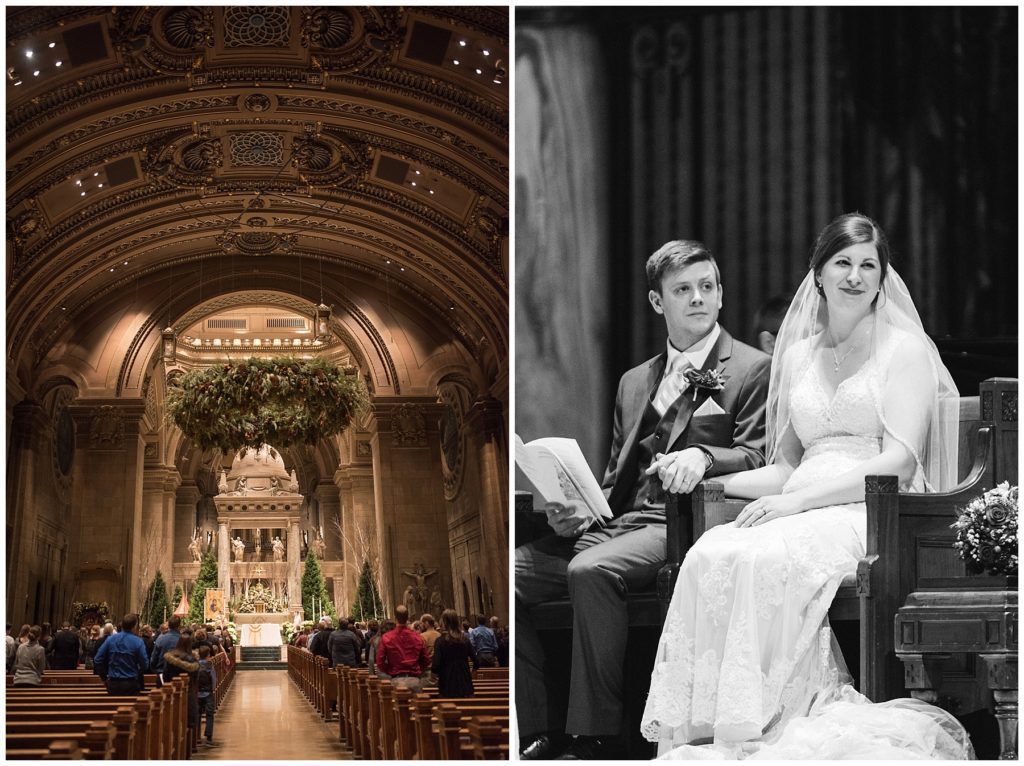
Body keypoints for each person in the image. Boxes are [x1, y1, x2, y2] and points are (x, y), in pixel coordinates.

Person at [642, 213, 969, 759]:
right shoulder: (796, 356)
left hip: (871, 509)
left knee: (766, 558)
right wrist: (703, 472)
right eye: (843, 262)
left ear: (883, 276)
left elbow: (898, 465)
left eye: (869, 265)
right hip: (800, 500)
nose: (855, 276)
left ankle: (769, 724)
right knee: (712, 551)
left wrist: (795, 501)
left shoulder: (903, 350)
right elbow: (785, 464)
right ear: (818, 273)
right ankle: (714, 727)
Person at [517, 240, 771, 760]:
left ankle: (597, 735)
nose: (698, 298)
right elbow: (617, 476)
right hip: (621, 521)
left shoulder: (753, 368)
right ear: (659, 303)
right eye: (683, 290)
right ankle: (533, 730)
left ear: (721, 294)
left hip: (685, 521)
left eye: (707, 287)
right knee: (513, 573)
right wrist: (574, 510)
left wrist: (703, 455)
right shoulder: (635, 381)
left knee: (590, 570)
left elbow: (758, 457)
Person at [376, 605, 430, 692]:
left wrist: (389, 670)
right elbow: (426, 660)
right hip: (414, 680)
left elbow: (380, 661)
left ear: (395, 618)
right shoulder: (417, 637)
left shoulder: (387, 637)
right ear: (407, 617)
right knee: (418, 704)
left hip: (396, 680)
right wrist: (417, 668)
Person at [93, 613, 149, 695]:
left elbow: (97, 659)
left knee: (112, 707)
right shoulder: (138, 641)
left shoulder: (110, 639)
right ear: (135, 626)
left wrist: (104, 677)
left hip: (113, 683)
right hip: (131, 683)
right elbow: (145, 664)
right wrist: (138, 672)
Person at [431, 609, 476, 698]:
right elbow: (476, 661)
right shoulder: (465, 640)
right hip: (465, 683)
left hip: (447, 684)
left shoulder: (440, 641)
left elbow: (436, 664)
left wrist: (434, 673)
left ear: (444, 622)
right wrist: (471, 672)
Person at [164, 632, 200, 737]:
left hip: (171, 692)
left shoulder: (169, 657)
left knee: (173, 718)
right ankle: (187, 745)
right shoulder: (191, 660)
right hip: (187, 693)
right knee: (187, 720)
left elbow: (165, 675)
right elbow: (195, 678)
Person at [196, 644, 220, 747]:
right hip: (208, 693)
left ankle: (196, 737)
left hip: (197, 694)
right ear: (208, 655)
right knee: (209, 715)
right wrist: (213, 689)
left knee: (197, 714)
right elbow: (213, 679)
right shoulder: (210, 666)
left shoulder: (194, 665)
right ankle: (209, 738)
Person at [150, 614, 181, 681]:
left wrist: (155, 670)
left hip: (161, 674)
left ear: (169, 625)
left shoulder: (160, 638)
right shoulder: (182, 639)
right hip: (178, 676)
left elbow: (153, 659)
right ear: (179, 626)